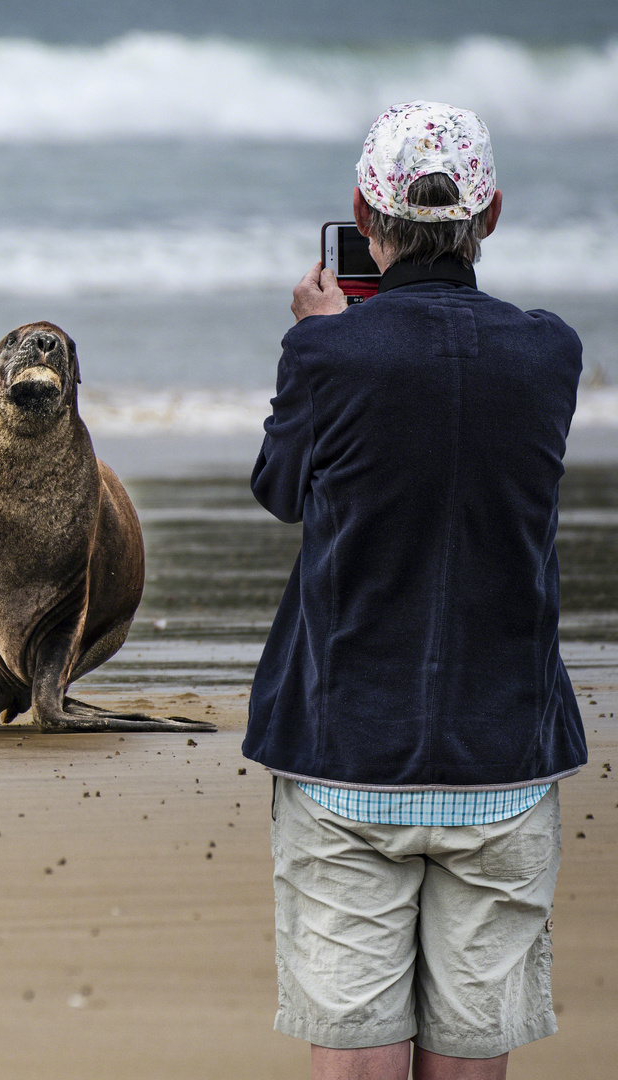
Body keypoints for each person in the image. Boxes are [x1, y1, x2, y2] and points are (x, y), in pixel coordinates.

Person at [244, 100, 586, 1080]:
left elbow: (281, 491)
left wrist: (319, 339)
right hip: (504, 750)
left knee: (357, 1052)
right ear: (491, 217)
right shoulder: (549, 351)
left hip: (349, 748)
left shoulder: (327, 353)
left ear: (362, 211)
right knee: (473, 1057)